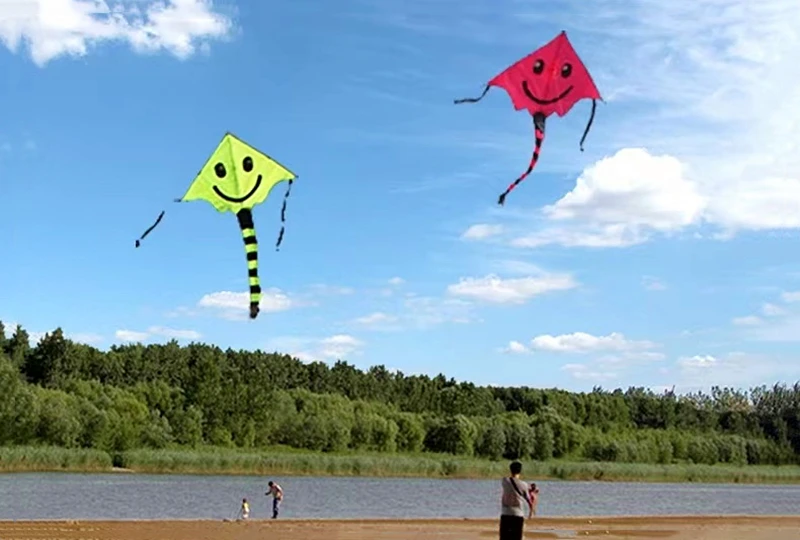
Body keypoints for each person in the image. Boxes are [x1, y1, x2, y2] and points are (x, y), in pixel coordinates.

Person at [499, 461, 532, 540]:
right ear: (520, 471)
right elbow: (528, 499)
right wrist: (531, 511)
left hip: (505, 512)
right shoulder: (524, 484)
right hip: (518, 513)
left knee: (504, 537)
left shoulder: (504, 481)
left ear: (510, 470)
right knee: (517, 537)